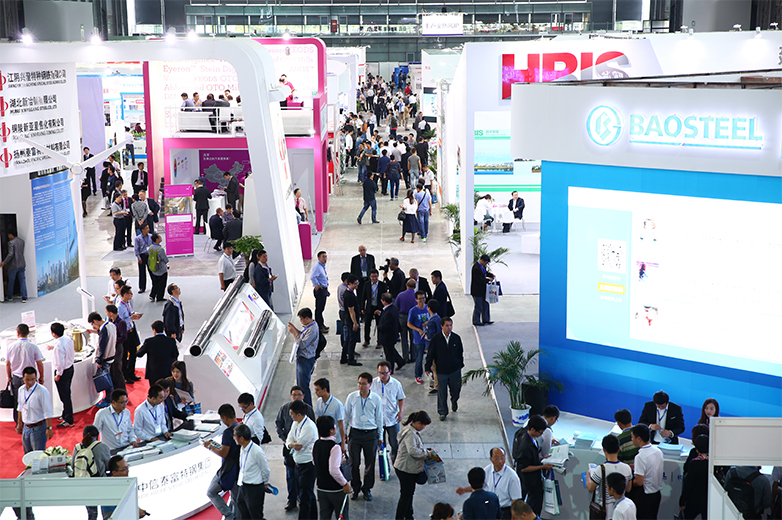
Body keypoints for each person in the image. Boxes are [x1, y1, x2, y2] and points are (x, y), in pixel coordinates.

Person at [276, 386, 317, 513]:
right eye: (294, 394)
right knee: (291, 476)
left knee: (304, 485)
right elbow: (279, 425)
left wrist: (292, 443)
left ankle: (302, 499)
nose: (296, 397)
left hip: (305, 458)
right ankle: (292, 500)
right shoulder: (285, 409)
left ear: (303, 396)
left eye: (299, 394)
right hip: (289, 451)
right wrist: (286, 441)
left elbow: (300, 444)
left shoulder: (307, 411)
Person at [344, 372, 384, 502]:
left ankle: (367, 489)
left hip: (371, 434)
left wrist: (380, 436)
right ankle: (355, 488)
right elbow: (346, 416)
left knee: (370, 463)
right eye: (359, 383)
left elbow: (379, 419)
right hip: (355, 433)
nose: (360, 386)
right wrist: (344, 432)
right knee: (354, 463)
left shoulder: (376, 399)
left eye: (363, 384)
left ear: (370, 384)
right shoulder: (352, 397)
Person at [457, 447, 522, 520]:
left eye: (502, 458)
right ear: (491, 459)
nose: (500, 461)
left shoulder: (512, 477)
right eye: (497, 458)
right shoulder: (487, 470)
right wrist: (465, 490)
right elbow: (479, 484)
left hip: (505, 511)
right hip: (490, 507)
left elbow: (515, 500)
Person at [205, 404, 241, 520]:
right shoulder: (242, 428)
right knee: (236, 498)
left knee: (211, 492)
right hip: (240, 468)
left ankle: (229, 516)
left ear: (225, 417)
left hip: (229, 469)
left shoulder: (228, 433)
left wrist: (210, 446)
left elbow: (224, 453)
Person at [394, 411, 433, 520]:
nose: (424, 427)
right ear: (418, 422)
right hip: (406, 469)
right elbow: (413, 451)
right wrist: (427, 453)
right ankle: (400, 517)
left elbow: (415, 447)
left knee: (409, 494)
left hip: (406, 467)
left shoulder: (411, 430)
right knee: (406, 496)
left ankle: (408, 515)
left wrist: (427, 450)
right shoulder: (410, 434)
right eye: (424, 425)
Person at [512, 415, 553, 516]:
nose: (541, 434)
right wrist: (542, 466)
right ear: (532, 429)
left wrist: (542, 458)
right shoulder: (526, 445)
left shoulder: (532, 438)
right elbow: (523, 468)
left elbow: (531, 457)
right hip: (529, 482)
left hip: (533, 479)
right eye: (540, 432)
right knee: (533, 506)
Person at [425, 317, 464, 422]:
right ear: (441, 326)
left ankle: (454, 401)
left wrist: (460, 364)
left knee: (456, 389)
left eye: (450, 325)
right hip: (441, 371)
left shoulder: (456, 338)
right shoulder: (436, 339)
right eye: (447, 325)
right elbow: (431, 354)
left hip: (455, 370)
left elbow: (460, 352)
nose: (449, 327)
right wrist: (428, 367)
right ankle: (442, 412)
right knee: (442, 393)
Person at [314, 415, 352, 520]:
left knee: (324, 517)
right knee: (342, 516)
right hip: (335, 490)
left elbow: (315, 462)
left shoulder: (316, 444)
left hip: (321, 488)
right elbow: (334, 470)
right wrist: (345, 483)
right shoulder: (335, 447)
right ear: (331, 430)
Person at [286, 399, 320, 520]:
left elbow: (299, 445)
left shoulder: (309, 427)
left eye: (291, 413)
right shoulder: (295, 423)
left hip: (308, 466)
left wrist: (292, 444)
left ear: (299, 414)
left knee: (305, 497)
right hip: (298, 464)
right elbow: (289, 440)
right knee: (307, 494)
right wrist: (291, 444)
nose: (290, 415)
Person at [5, 323, 44, 424]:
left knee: (17, 401)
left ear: (17, 333)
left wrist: (9, 377)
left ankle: (18, 422)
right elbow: (39, 363)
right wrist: (41, 377)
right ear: (28, 333)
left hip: (16, 377)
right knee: (31, 400)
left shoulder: (10, 347)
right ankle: (30, 421)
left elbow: (8, 364)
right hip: (30, 377)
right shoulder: (33, 347)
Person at [587, 435, 634, 520]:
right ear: (618, 449)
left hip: (605, 512)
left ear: (604, 449)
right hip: (621, 507)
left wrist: (588, 476)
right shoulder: (627, 468)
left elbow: (591, 488)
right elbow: (628, 489)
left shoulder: (600, 469)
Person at [72, 425, 111, 520]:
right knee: (107, 514)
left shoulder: (77, 448)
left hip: (85, 485)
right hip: (101, 484)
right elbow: (108, 466)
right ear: (97, 436)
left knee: (92, 515)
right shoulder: (102, 446)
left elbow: (73, 466)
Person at [233, 423, 272, 520]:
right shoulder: (242, 448)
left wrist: (264, 483)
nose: (234, 438)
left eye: (235, 436)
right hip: (243, 486)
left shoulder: (257, 451)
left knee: (255, 515)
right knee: (243, 513)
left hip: (254, 489)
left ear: (241, 438)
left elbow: (265, 470)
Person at [373, 361, 406, 462]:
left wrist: (400, 412)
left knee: (395, 444)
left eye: (384, 373)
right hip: (378, 420)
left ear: (390, 372)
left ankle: (396, 463)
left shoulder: (396, 384)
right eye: (380, 373)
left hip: (392, 419)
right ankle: (384, 466)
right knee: (381, 446)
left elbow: (401, 398)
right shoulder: (373, 383)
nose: (382, 376)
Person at [15, 366, 53, 453]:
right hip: (26, 427)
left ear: (36, 378)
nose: (30, 382)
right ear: (23, 378)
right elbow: (20, 407)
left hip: (39, 427)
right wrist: (19, 423)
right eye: (27, 380)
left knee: (37, 455)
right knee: (27, 454)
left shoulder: (42, 391)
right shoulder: (21, 390)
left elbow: (48, 411)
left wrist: (49, 428)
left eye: (33, 379)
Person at [630, 424, 664, 519]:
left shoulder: (640, 457)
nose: (631, 439)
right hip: (656, 494)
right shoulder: (658, 451)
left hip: (645, 497)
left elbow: (639, 482)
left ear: (639, 439)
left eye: (632, 437)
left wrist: (628, 483)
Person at [288, 307, 319, 406]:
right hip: (301, 359)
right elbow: (302, 335)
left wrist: (294, 333)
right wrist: (295, 329)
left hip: (306, 360)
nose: (301, 321)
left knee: (303, 386)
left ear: (307, 318)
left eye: (301, 319)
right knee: (300, 384)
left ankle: (307, 407)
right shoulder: (309, 326)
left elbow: (302, 344)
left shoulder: (312, 329)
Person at [89, 309, 122, 403]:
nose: (93, 326)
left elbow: (102, 347)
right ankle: (110, 398)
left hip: (105, 358)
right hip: (112, 355)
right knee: (108, 378)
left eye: (92, 324)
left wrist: (99, 361)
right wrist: (94, 331)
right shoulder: (111, 325)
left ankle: (108, 400)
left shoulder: (104, 329)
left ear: (95, 321)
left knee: (106, 380)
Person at [48, 322, 75, 427]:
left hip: (62, 372)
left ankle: (69, 419)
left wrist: (58, 375)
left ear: (53, 333)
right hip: (70, 368)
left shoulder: (58, 346)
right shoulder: (67, 339)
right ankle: (65, 414)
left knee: (65, 396)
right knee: (66, 394)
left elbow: (60, 362)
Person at [679, 435, 709, 520]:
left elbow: (689, 484)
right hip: (708, 500)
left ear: (697, 449)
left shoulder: (694, 464)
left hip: (694, 500)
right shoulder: (713, 463)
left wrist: (682, 500)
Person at [313, 378, 346, 453]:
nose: (315, 392)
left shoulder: (337, 404)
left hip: (335, 440)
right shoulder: (319, 401)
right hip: (323, 439)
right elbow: (319, 419)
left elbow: (341, 424)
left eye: (317, 390)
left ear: (325, 390)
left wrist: (343, 443)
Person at [117, 285, 141, 384]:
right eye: (130, 293)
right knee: (124, 355)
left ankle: (131, 372)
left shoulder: (127, 303)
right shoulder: (119, 306)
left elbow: (129, 313)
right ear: (125, 294)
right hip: (125, 332)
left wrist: (134, 314)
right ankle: (125, 375)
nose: (132, 295)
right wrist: (131, 318)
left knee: (133, 352)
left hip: (131, 330)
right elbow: (121, 321)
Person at [377, 292, 405, 371]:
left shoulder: (389, 312)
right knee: (391, 350)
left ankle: (390, 369)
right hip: (392, 335)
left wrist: (379, 327)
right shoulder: (393, 308)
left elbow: (387, 325)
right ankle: (400, 361)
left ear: (384, 301)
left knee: (389, 354)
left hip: (388, 336)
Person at [407, 291, 430, 383]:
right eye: (420, 298)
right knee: (419, 358)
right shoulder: (413, 311)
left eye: (423, 298)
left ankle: (431, 373)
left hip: (428, 337)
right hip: (419, 338)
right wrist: (418, 330)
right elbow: (409, 323)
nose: (422, 300)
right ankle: (418, 375)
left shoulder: (428, 308)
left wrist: (428, 322)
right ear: (416, 300)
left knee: (430, 357)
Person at [360, 269, 387, 347]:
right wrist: (362, 308)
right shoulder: (367, 284)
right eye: (372, 276)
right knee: (367, 324)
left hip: (379, 307)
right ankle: (367, 340)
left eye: (375, 276)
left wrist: (382, 308)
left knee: (380, 325)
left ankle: (380, 341)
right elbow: (363, 297)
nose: (374, 278)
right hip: (370, 307)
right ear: (370, 276)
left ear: (378, 276)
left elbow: (385, 298)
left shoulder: (382, 285)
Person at [341, 275, 362, 366]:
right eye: (355, 284)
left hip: (349, 319)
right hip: (351, 320)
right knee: (352, 340)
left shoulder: (348, 293)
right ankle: (351, 359)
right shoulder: (349, 296)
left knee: (348, 338)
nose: (357, 285)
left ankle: (344, 357)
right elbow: (351, 311)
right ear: (350, 283)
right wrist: (355, 323)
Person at [395, 279, 418, 361]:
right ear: (415, 287)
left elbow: (396, 306)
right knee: (413, 337)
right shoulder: (416, 296)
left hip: (402, 317)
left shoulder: (400, 295)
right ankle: (413, 356)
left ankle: (405, 357)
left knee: (404, 338)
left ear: (406, 285)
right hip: (413, 319)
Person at [470, 254, 495, 326]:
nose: (486, 264)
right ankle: (476, 321)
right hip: (477, 291)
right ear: (482, 260)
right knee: (478, 306)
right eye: (486, 262)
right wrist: (488, 280)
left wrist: (491, 275)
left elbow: (485, 273)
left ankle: (486, 319)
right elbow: (479, 279)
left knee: (485, 304)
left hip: (483, 290)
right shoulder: (476, 268)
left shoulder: (482, 266)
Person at [311, 251, 330, 332]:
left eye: (326, 256)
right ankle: (319, 327)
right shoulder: (317, 267)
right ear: (318, 258)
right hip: (320, 290)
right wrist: (317, 284)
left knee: (321, 308)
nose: (325, 258)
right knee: (319, 309)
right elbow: (312, 277)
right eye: (323, 257)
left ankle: (321, 324)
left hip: (324, 289)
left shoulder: (322, 266)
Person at [147, 233, 168, 302]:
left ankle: (152, 295)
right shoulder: (160, 249)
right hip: (161, 269)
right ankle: (159, 297)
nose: (161, 237)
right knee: (162, 284)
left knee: (155, 283)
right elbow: (165, 260)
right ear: (156, 239)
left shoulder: (150, 248)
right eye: (159, 237)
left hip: (153, 268)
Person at [133, 223, 153, 294]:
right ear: (142, 230)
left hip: (150, 255)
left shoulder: (151, 236)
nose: (148, 229)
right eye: (147, 228)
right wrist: (138, 257)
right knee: (142, 272)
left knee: (152, 271)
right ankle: (142, 287)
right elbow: (136, 249)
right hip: (142, 256)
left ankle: (155, 285)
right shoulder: (138, 238)